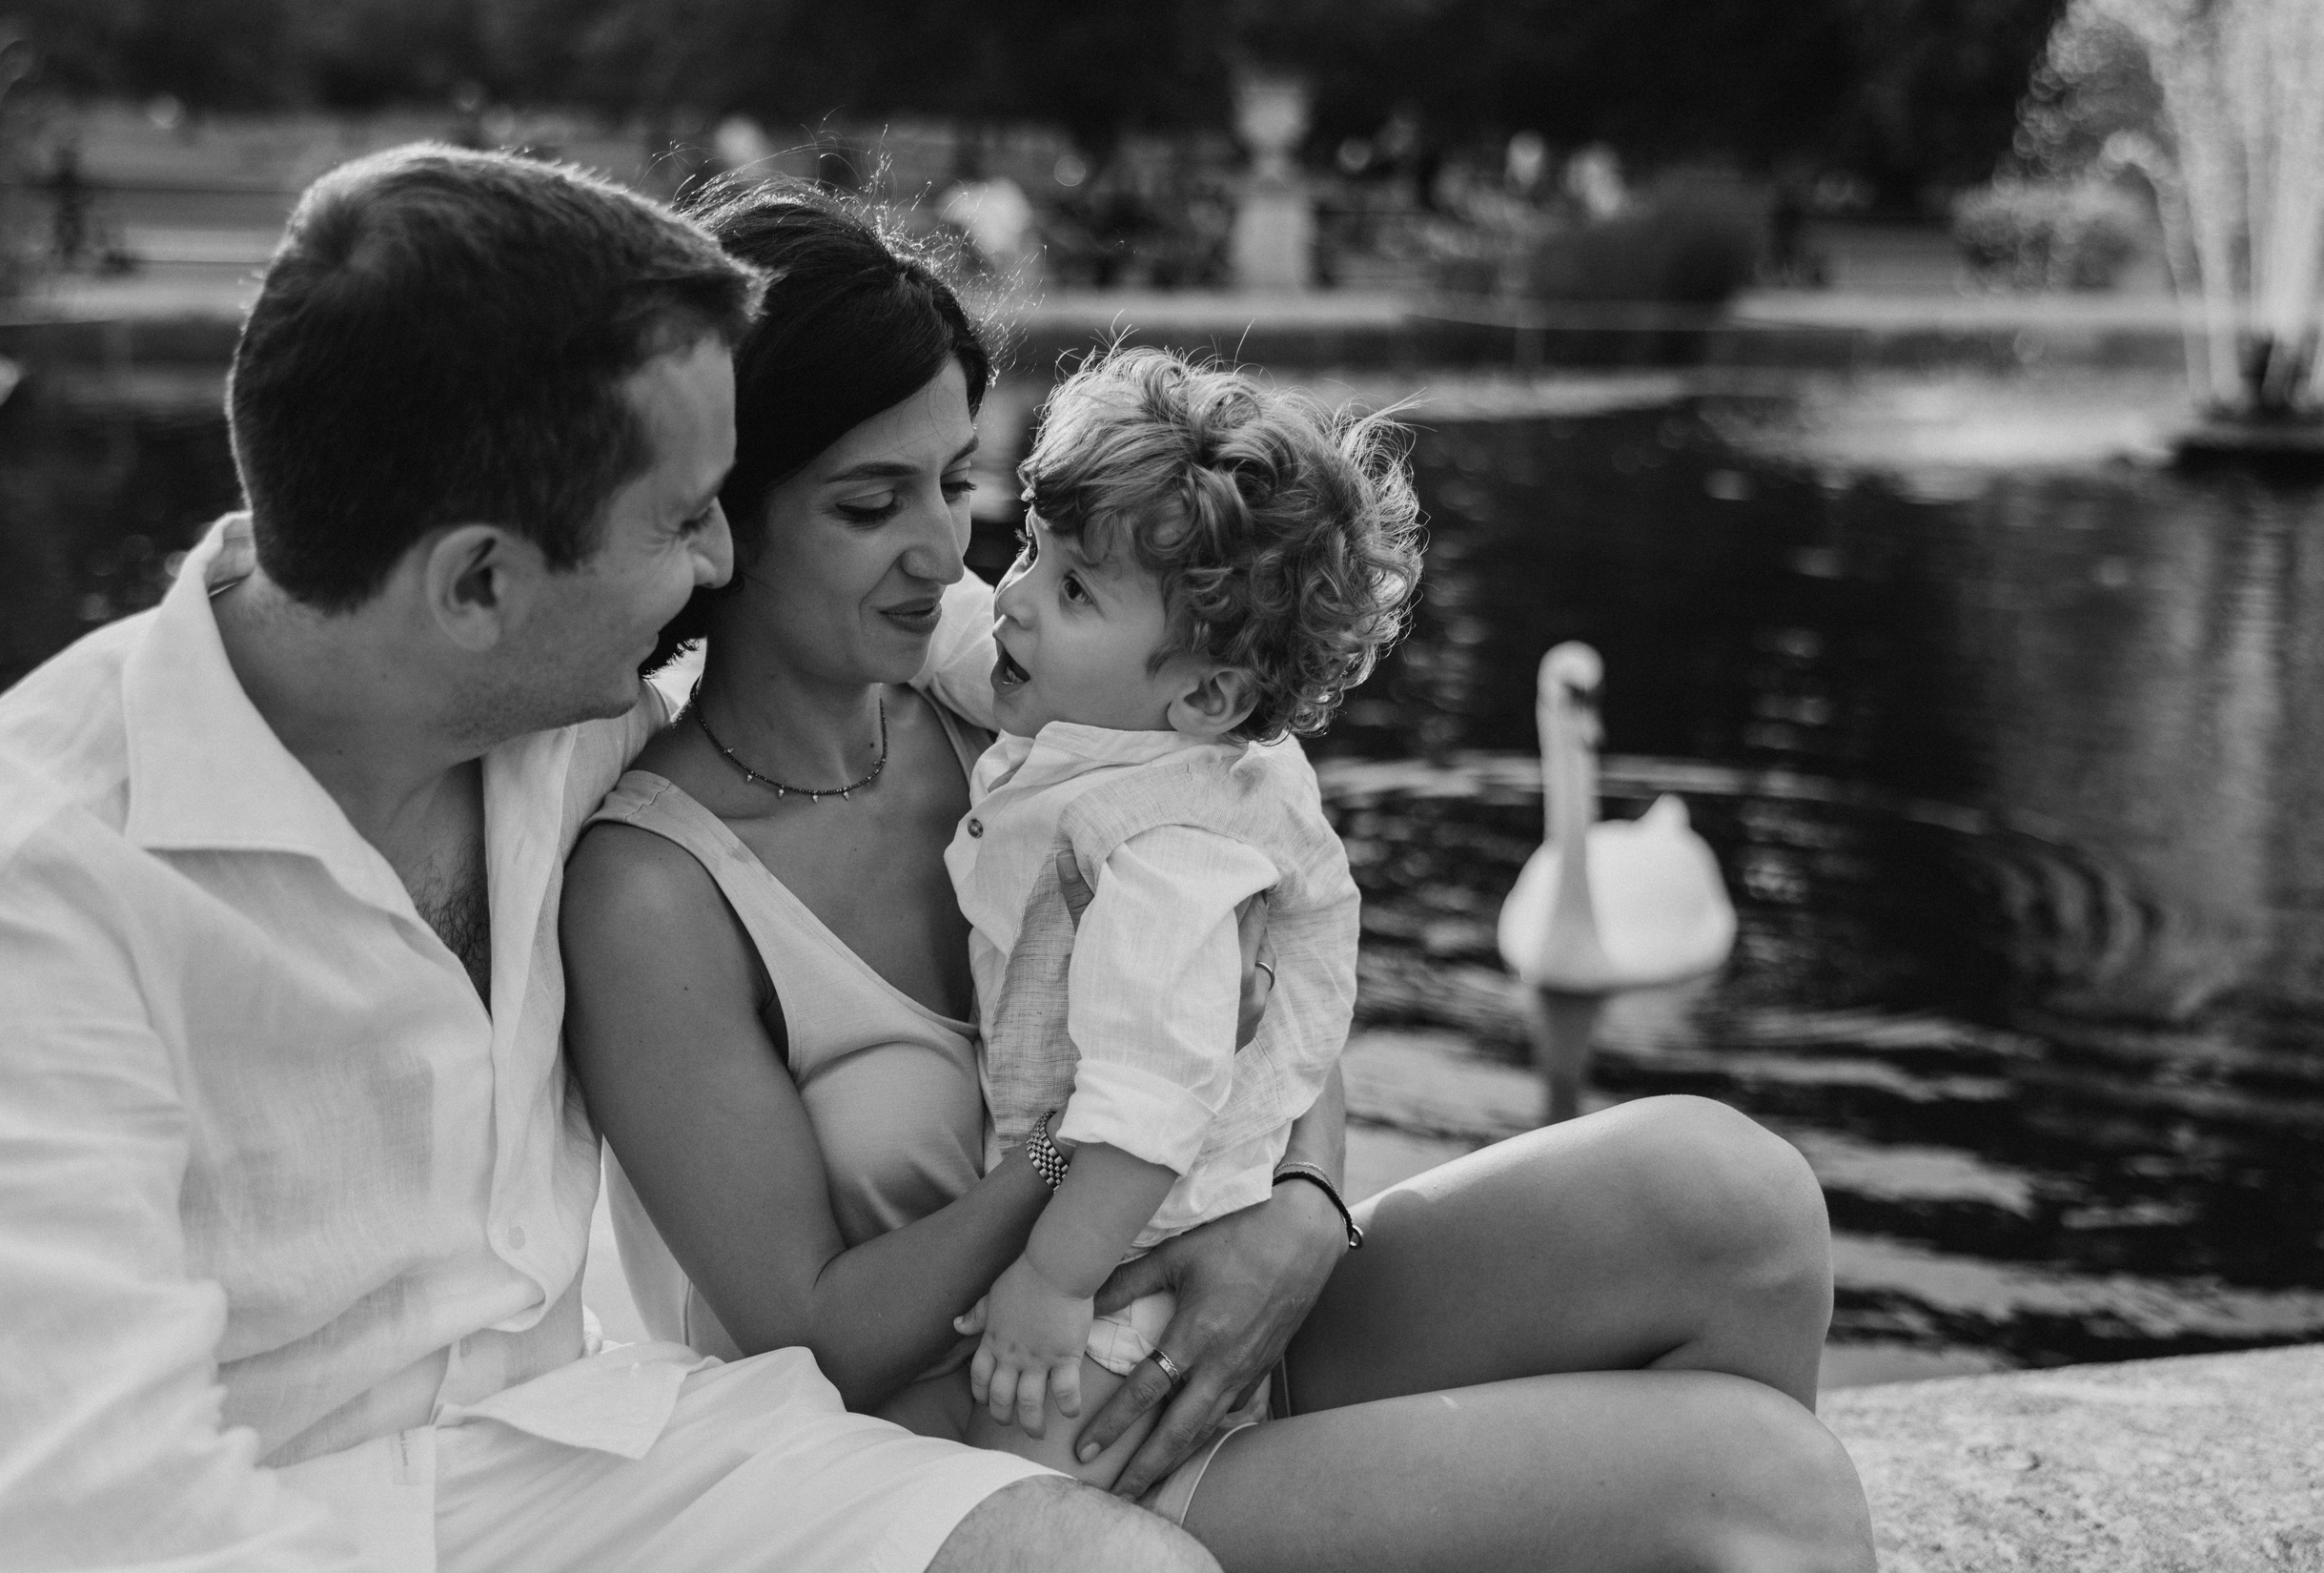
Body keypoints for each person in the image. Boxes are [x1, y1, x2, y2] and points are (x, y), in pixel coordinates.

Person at [0, 145, 1213, 1573]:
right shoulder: (2, 896)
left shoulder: (552, 698)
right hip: (267, 1502)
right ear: (479, 582)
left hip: (584, 1448)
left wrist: (1298, 1195)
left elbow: (1102, 678)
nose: (721, 566)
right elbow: (83, 1515)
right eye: (683, 521)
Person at [563, 179, 1877, 1572]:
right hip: (989, 1453)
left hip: (1196, 1303)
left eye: (953, 481)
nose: (947, 551)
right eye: (870, 503)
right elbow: (814, 1337)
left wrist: (1301, 1208)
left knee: (1735, 1200)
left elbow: (1270, 931)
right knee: (1762, 1483)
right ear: (717, 518)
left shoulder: (1008, 675)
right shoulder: (654, 888)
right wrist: (1079, 1155)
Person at [943, 350, 1417, 1489]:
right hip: (1136, 1230)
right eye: (1029, 549)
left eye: (1073, 592)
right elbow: (957, 637)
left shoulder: (1168, 859)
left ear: (1206, 694)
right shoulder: (1124, 714)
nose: (1010, 596)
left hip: (1135, 1266)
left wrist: (1052, 1282)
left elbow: (1147, 1104)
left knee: (1021, 1475)